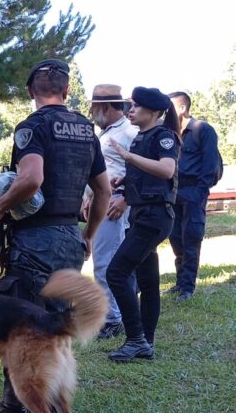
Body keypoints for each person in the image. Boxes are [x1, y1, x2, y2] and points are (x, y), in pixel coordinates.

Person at [0, 58, 111, 413]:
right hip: (68, 239)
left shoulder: (33, 127)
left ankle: (15, 410)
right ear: (66, 90)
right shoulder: (85, 130)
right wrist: (89, 235)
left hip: (35, 240)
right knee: (54, 327)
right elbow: (103, 190)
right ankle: (56, 401)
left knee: (23, 327)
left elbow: (31, 178)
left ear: (31, 92)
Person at [105, 88, 180, 361]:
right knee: (148, 282)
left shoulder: (163, 136)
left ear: (154, 112)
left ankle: (136, 339)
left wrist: (127, 157)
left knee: (116, 273)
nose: (131, 110)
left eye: (137, 106)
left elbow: (166, 170)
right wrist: (124, 183)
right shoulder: (142, 137)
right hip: (142, 214)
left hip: (154, 217)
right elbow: (146, 174)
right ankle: (145, 340)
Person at [85, 83, 138, 339]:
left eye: (94, 108)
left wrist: (126, 198)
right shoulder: (108, 132)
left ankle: (111, 319)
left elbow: (141, 169)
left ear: (104, 107)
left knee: (106, 262)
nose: (93, 114)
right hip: (106, 199)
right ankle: (119, 314)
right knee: (115, 262)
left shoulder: (129, 131)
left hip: (116, 203)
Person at [167, 91, 220, 300]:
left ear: (182, 108)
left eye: (170, 107)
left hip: (193, 192)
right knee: (175, 239)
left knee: (191, 238)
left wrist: (199, 193)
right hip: (173, 192)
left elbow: (210, 166)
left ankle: (187, 287)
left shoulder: (203, 130)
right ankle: (180, 283)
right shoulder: (170, 133)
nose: (166, 112)